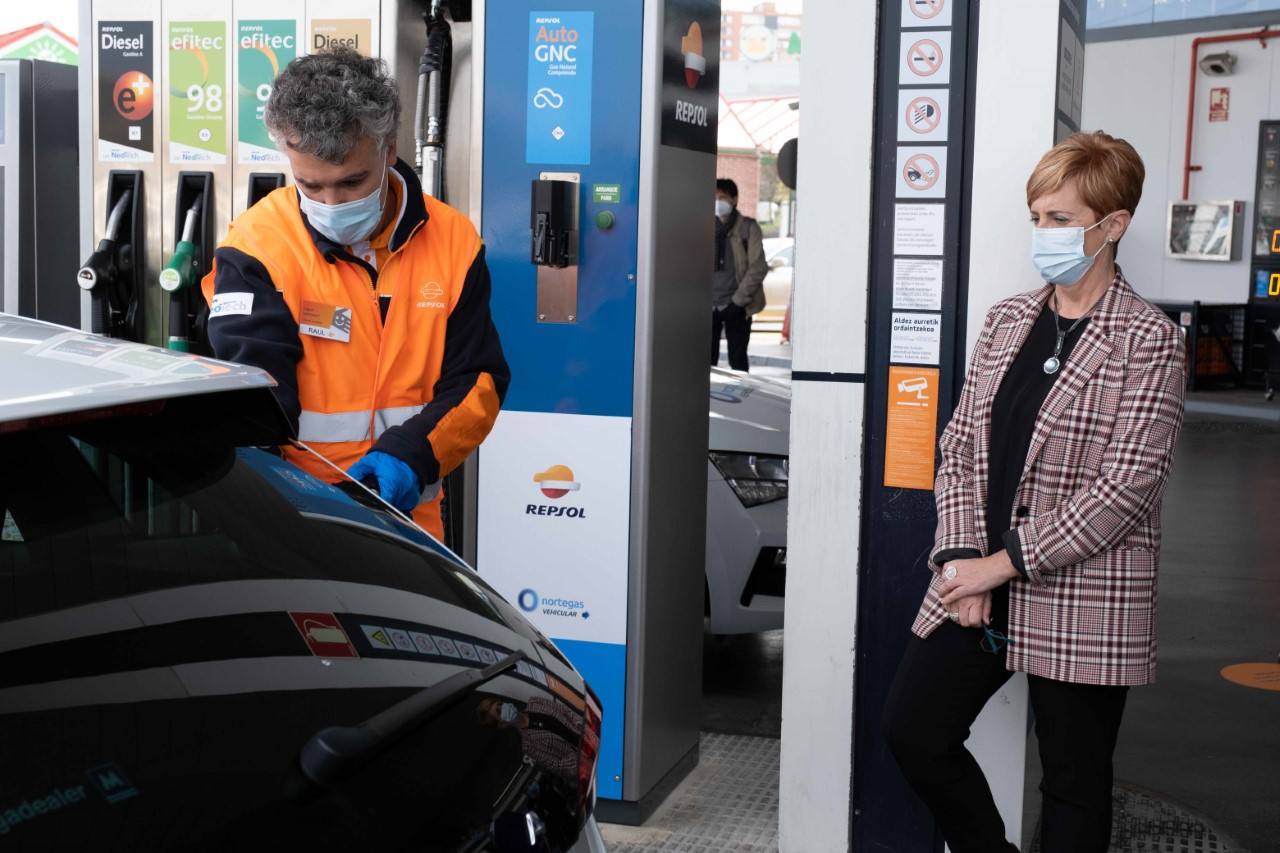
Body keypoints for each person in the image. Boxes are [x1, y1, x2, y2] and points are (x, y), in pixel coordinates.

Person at [881, 132, 1187, 853]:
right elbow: (960, 447)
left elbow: (1126, 488)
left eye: (1060, 218)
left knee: (1074, 784)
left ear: (1113, 224)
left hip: (1084, 591)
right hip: (978, 579)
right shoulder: (1008, 319)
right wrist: (962, 560)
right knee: (914, 730)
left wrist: (1000, 564)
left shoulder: (1149, 340)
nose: (1043, 233)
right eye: (1037, 217)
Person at [200, 48, 509, 541]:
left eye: (351, 182)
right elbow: (251, 403)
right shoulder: (255, 249)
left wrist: (412, 453)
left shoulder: (453, 242)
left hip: (409, 524)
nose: (331, 203)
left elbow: (477, 380)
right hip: (296, 524)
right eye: (310, 185)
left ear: (388, 150)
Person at [711, 178, 767, 371]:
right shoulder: (704, 226)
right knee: (705, 363)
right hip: (708, 306)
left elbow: (758, 267)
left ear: (734, 199)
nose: (717, 202)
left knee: (738, 361)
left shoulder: (747, 228)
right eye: (714, 198)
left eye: (722, 198)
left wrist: (738, 301)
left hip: (738, 305)